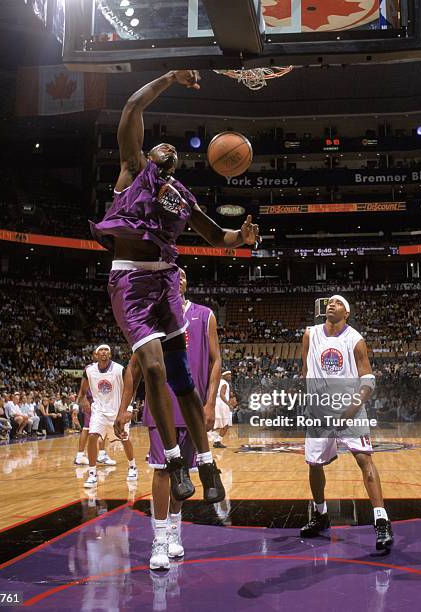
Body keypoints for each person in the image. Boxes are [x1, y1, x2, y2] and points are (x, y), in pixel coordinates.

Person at [90, 70, 259, 503]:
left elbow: (212, 234)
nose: (168, 148)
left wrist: (239, 239)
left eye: (174, 150)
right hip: (129, 280)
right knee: (153, 368)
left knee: (183, 378)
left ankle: (207, 462)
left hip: (165, 279)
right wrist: (169, 78)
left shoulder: (180, 196)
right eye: (160, 145)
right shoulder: (132, 171)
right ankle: (173, 458)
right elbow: (132, 108)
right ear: (148, 152)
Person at [123, 268, 221, 570]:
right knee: (164, 470)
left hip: (191, 407)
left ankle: (175, 530)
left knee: (184, 478)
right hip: (160, 406)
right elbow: (134, 367)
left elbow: (216, 360)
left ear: (187, 283)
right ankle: (160, 539)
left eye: (182, 275)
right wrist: (124, 407)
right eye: (171, 275)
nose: (177, 278)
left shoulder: (205, 315)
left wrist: (210, 403)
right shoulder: (151, 318)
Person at [300, 295, 394, 551]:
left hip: (349, 408)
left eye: (338, 303)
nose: (332, 304)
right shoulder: (310, 334)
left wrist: (353, 408)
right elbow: (305, 371)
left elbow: (368, 379)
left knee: (365, 459)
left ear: (347, 313)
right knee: (314, 464)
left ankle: (381, 520)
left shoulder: (355, 340)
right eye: (329, 301)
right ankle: (320, 514)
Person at [77, 345, 137, 488]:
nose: (104, 352)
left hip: (118, 411)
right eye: (101, 351)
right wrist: (81, 399)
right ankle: (92, 473)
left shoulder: (119, 369)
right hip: (99, 411)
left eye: (106, 351)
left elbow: (130, 388)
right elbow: (82, 391)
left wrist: (129, 408)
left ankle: (132, 466)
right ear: (95, 354)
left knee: (124, 438)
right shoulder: (89, 370)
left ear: (110, 354)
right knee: (92, 436)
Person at [212, 371, 233, 448]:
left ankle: (217, 441)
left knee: (218, 424)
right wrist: (229, 404)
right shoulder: (224, 383)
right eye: (228, 374)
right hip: (222, 404)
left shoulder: (218, 382)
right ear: (223, 375)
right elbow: (221, 394)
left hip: (217, 403)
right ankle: (217, 441)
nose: (230, 376)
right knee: (225, 424)